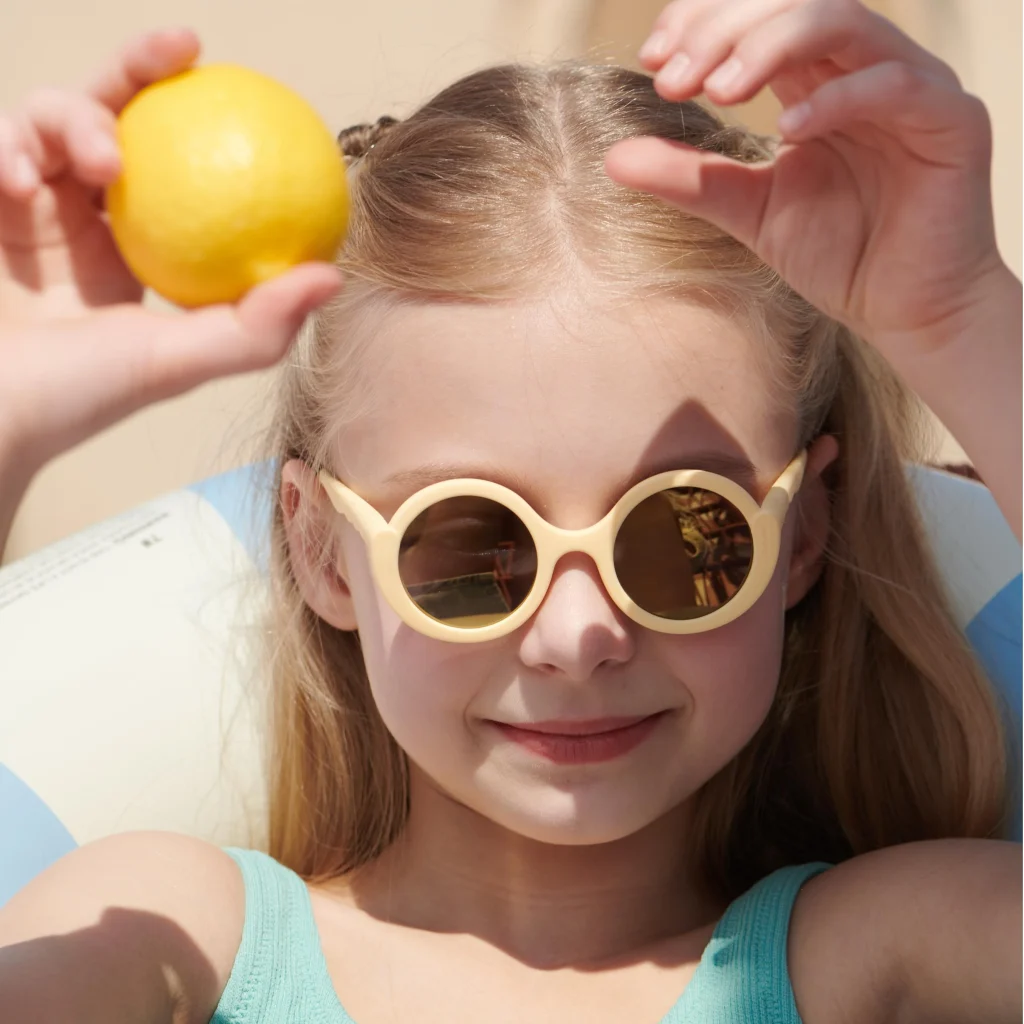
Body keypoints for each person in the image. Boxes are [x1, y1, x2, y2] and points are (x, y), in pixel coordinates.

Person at [0, 2, 1021, 1020]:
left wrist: (963, 316)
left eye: (681, 532)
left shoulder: (877, 956)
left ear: (801, 538)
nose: (578, 638)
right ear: (326, 553)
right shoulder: (175, 938)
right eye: (469, 540)